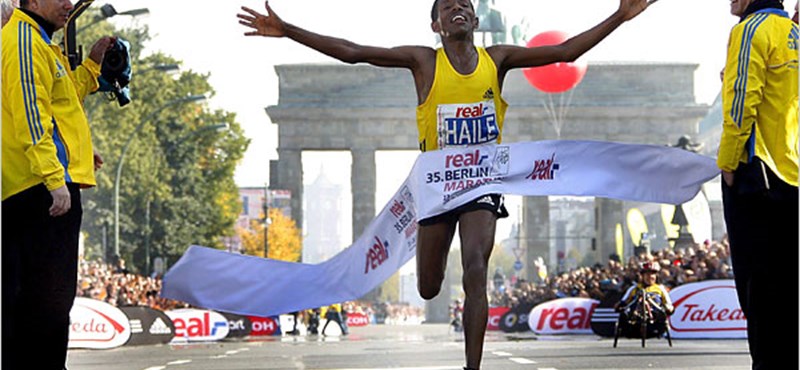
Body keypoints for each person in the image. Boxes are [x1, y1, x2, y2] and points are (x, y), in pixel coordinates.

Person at [237, 1, 651, 368]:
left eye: (465, 5)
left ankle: (473, 367)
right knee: (429, 286)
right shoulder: (424, 62)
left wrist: (618, 15)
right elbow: (354, 52)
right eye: (448, 5)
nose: (458, 8)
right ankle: (430, 271)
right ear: (435, 25)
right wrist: (288, 29)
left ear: (473, 18)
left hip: (480, 181)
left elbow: (565, 52)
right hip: (436, 184)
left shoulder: (498, 58)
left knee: (476, 267)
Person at [1, 0, 114, 368]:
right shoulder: (22, 40)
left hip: (47, 182)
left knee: (51, 301)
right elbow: (31, 114)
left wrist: (93, 65)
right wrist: (53, 177)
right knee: (43, 302)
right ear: (31, 1)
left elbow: (63, 104)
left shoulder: (41, 40)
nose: (69, 4)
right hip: (37, 188)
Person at [719, 0, 799, 369]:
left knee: (760, 294)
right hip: (792, 172)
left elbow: (741, 103)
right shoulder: (794, 32)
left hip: (760, 177)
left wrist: (728, 162)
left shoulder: (750, 29)